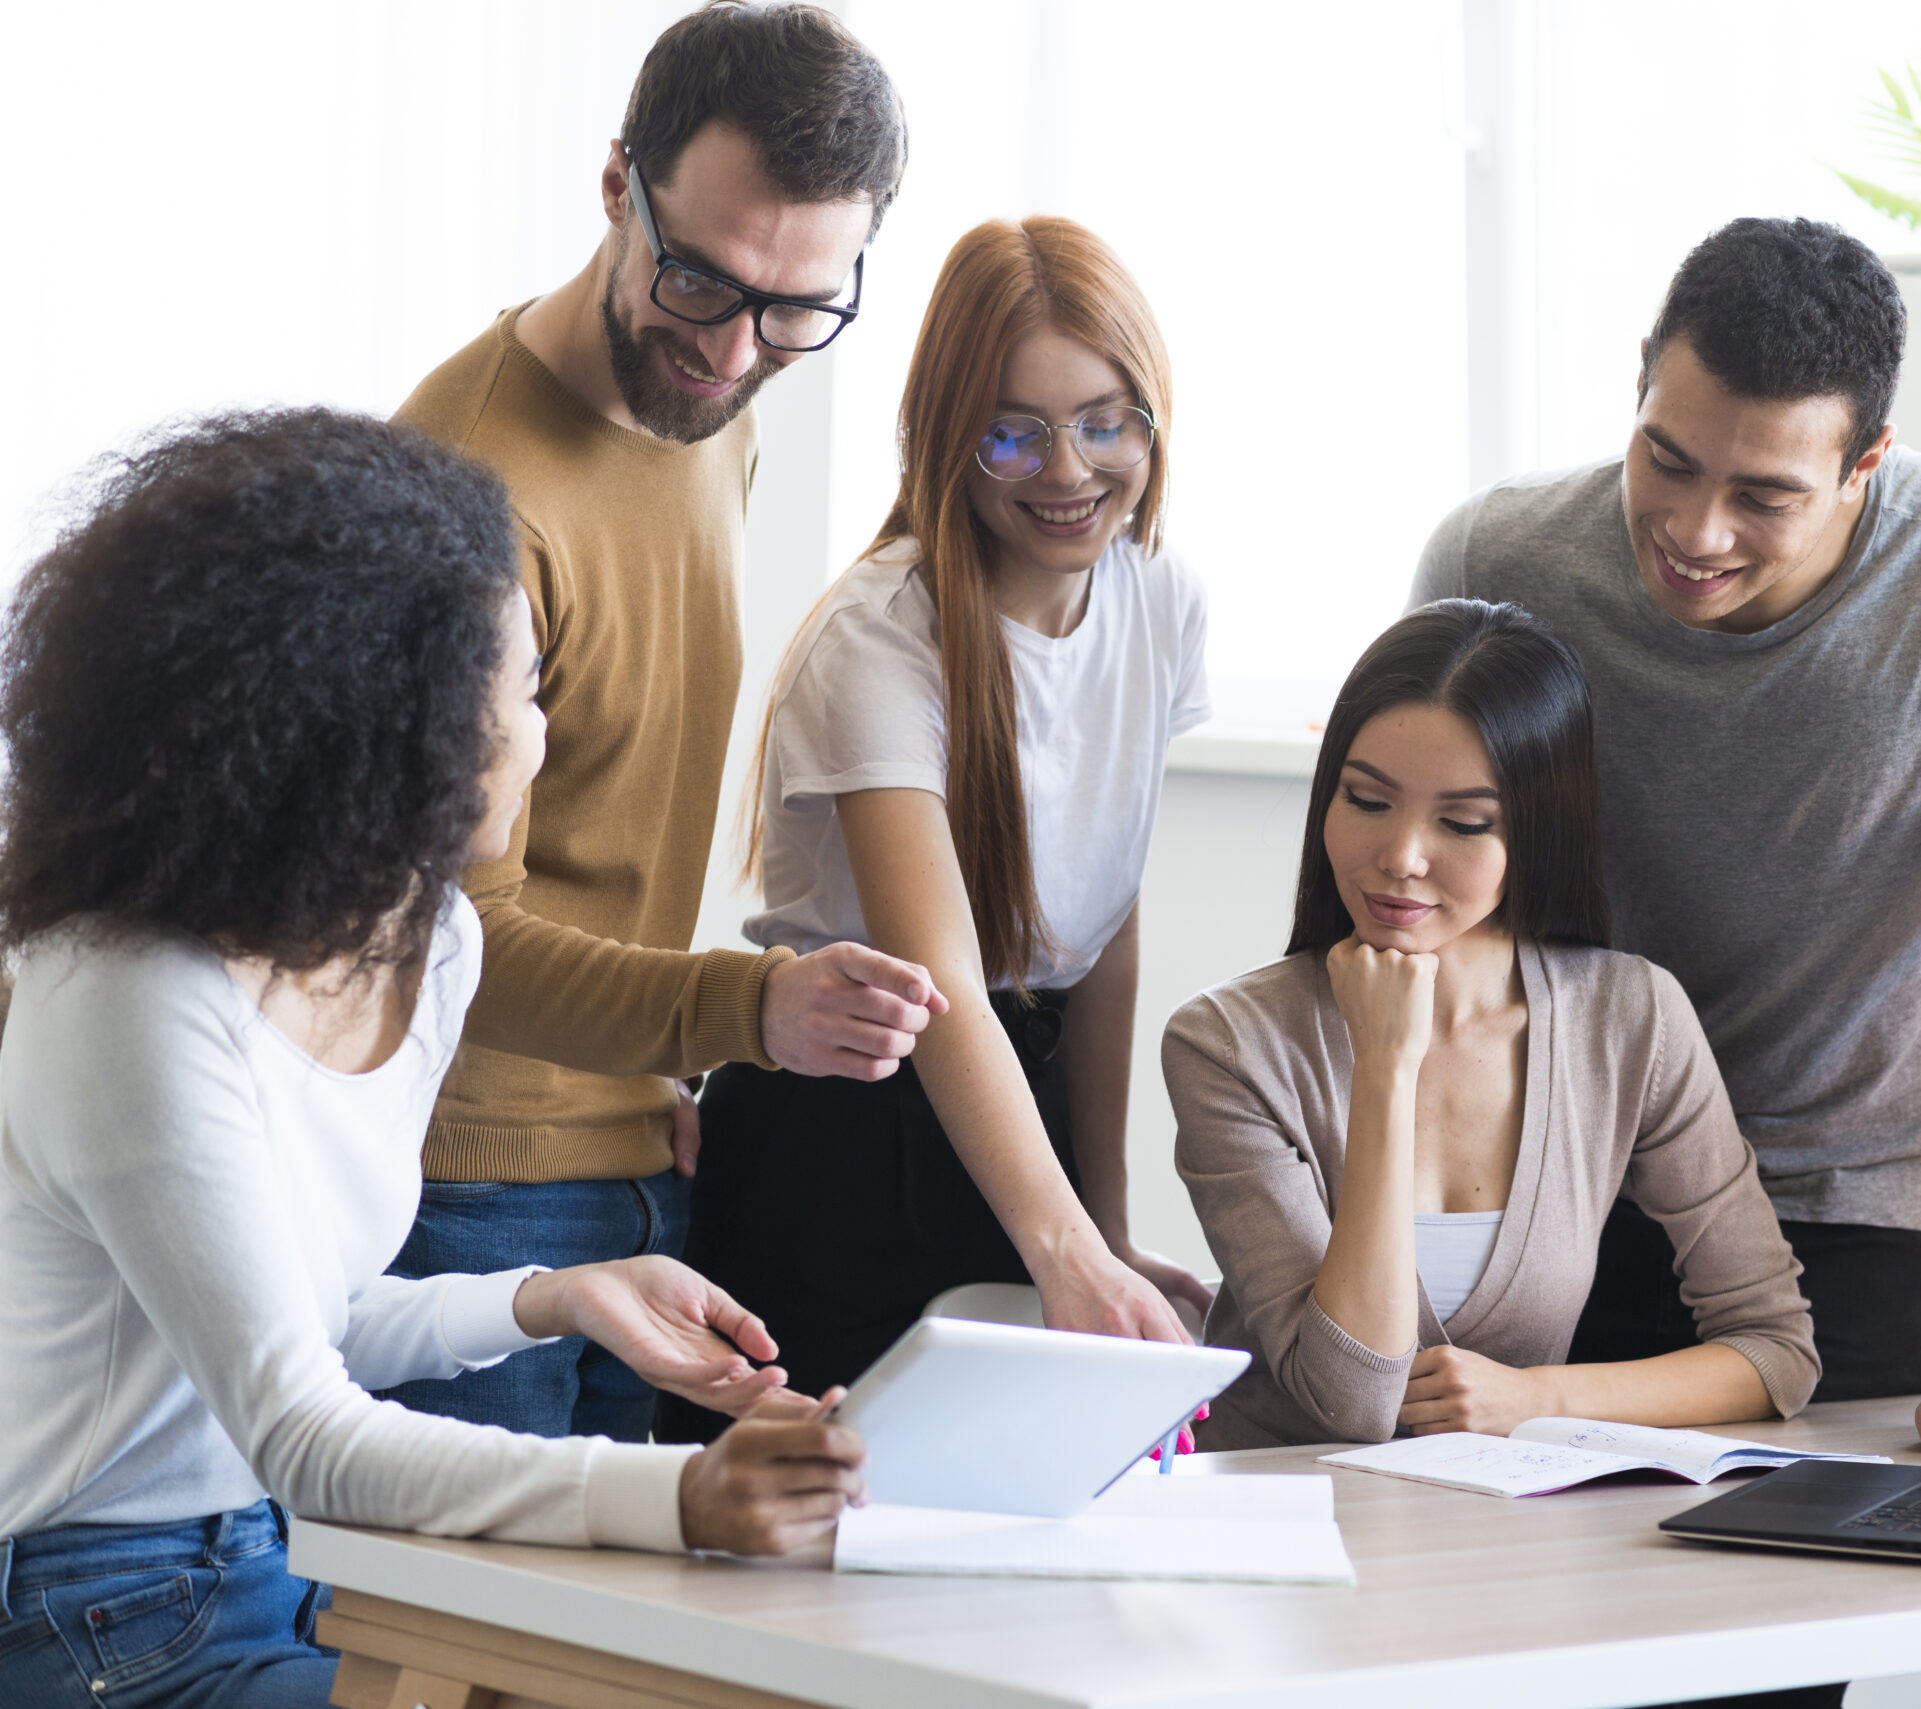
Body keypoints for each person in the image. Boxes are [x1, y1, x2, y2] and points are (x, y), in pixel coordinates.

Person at [0, 410, 867, 1709]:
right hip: (91, 1613)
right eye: (519, 689)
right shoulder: (127, 992)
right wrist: (682, 1491)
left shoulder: (425, 938)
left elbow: (307, 1317)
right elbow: (300, 1425)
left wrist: (559, 1294)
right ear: (376, 728)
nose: (544, 733)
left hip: (291, 1562)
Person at [1411, 217, 1921, 1476]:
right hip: (1557, 1188)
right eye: (1668, 459)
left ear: (1868, 462)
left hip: (1850, 1210)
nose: (1696, 531)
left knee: (1779, 1643)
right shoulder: (1497, 558)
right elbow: (1428, 901)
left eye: (1763, 495)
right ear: (1640, 377)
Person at [387, 1, 946, 1444]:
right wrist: (742, 1009)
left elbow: (624, 823)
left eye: (797, 308)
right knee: (477, 1649)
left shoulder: (718, 403)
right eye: (700, 281)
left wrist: (669, 1069)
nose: (736, 345)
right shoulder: (465, 494)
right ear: (615, 181)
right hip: (466, 1187)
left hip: (643, 1147)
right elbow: (448, 933)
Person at [661, 216, 1214, 1436]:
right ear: (949, 442)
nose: (1067, 470)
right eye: (1012, 431)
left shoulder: (1159, 599)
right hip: (851, 1123)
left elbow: (1101, 929)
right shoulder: (881, 634)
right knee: (822, 1534)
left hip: (1022, 1111)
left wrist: (1101, 1221)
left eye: (1104, 420)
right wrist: (1063, 1242)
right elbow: (940, 975)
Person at [1165, 600, 1818, 1453]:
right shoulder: (1226, 1043)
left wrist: (1538, 1397)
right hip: (1282, 1528)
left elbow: (1776, 1354)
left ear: (1536, 832)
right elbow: (1353, 1400)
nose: (1400, 854)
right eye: (1366, 800)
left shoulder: (1630, 1019)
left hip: (1494, 1546)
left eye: (1463, 822)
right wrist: (1384, 1069)